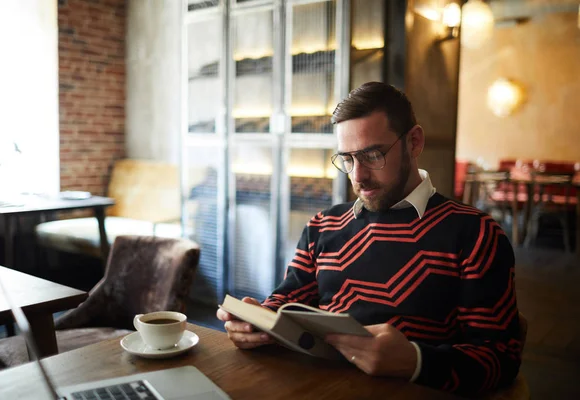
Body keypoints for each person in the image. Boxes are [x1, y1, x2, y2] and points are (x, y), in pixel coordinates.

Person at [217, 82, 522, 395]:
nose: (357, 176)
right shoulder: (322, 225)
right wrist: (256, 323)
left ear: (414, 142)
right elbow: (287, 301)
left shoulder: (475, 234)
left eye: (373, 155)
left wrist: (417, 361)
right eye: (347, 159)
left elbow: (501, 358)